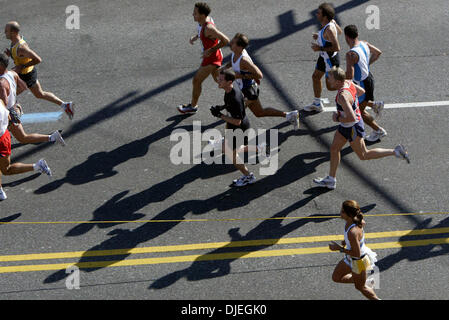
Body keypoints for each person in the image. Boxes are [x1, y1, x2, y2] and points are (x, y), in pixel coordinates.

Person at [313, 67, 409, 190]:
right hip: (346, 126)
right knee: (334, 149)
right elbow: (361, 91)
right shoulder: (348, 82)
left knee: (364, 155)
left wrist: (337, 118)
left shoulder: (342, 96)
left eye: (330, 78)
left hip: (352, 127)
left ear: (337, 81)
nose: (328, 80)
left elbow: (352, 118)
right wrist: (353, 105)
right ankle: (331, 180)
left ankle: (395, 152)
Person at [219, 33, 300, 130]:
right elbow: (233, 61)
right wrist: (226, 67)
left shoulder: (244, 60)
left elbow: (259, 75)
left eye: (233, 42)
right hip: (244, 89)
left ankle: (228, 141)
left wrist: (241, 75)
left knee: (233, 115)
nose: (230, 43)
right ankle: (290, 115)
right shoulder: (235, 53)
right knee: (259, 113)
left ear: (240, 47)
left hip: (248, 91)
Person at [4, 21, 74, 119]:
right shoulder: (15, 43)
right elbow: (21, 57)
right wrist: (10, 55)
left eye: (6, 31)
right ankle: (65, 105)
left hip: (26, 76)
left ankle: (16, 112)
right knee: (39, 94)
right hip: (27, 73)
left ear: (13, 33)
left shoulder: (21, 47)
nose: (4, 32)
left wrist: (22, 66)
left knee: (8, 95)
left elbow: (38, 59)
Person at [210, 69, 266, 187]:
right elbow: (232, 107)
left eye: (221, 80)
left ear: (229, 81)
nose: (217, 81)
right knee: (232, 147)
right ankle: (259, 148)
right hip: (235, 126)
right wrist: (222, 107)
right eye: (218, 79)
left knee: (231, 154)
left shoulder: (234, 98)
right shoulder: (230, 89)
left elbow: (237, 121)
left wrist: (220, 115)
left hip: (239, 128)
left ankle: (248, 176)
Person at [0, 53, 65, 147]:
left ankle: (53, 137)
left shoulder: (1, 83)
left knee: (23, 138)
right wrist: (12, 96)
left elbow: (4, 104)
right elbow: (23, 87)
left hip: (9, 114)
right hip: (15, 106)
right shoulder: (12, 73)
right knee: (21, 137)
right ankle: (52, 137)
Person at [178, 3, 229, 114]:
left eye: (195, 13)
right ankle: (240, 97)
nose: (192, 14)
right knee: (218, 80)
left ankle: (192, 106)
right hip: (211, 57)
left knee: (196, 80)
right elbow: (201, 32)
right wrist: (196, 37)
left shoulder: (209, 28)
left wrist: (210, 50)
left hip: (212, 58)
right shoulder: (202, 23)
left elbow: (226, 40)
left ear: (202, 15)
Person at [0, 97, 52, 200]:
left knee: (5, 169)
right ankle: (37, 166)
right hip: (4, 137)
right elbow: (9, 118)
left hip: (2, 138)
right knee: (6, 169)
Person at [329, 200, 380, 300]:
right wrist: (346, 241)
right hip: (350, 259)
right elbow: (363, 223)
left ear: (349, 214)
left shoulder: (352, 232)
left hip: (359, 261)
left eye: (343, 211)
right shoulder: (353, 222)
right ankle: (364, 280)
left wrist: (339, 248)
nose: (340, 212)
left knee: (361, 287)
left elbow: (356, 254)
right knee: (336, 277)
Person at [344, 24, 386, 142]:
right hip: (369, 79)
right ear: (357, 34)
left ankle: (378, 131)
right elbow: (378, 53)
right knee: (358, 104)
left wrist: (340, 79)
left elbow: (350, 75)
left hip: (361, 84)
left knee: (360, 112)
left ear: (347, 37)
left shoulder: (350, 54)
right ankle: (375, 105)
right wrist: (366, 65)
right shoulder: (364, 43)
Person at [304, 3, 342, 112]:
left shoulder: (329, 29)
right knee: (315, 77)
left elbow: (337, 47)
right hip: (323, 58)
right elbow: (339, 32)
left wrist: (319, 48)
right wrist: (320, 36)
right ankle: (317, 104)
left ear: (325, 16)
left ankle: (352, 88)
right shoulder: (331, 23)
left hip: (329, 60)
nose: (316, 14)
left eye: (319, 13)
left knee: (331, 87)